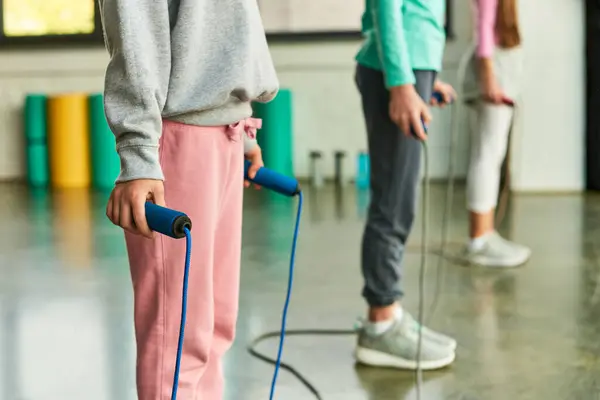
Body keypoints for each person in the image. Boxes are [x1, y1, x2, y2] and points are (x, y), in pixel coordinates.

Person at [99, 0, 278, 398]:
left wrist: (240, 123)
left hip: (226, 129)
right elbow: (136, 28)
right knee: (177, 336)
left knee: (214, 326)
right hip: (178, 136)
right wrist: (139, 151)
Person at [353, 0, 458, 370]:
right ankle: (381, 321)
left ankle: (390, 312)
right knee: (394, 200)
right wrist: (402, 82)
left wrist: (425, 75)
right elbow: (386, 6)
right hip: (398, 70)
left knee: (401, 197)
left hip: (411, 65)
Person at [462, 0, 531, 267]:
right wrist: (488, 76)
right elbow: (484, 27)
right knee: (487, 156)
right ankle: (479, 239)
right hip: (493, 71)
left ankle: (486, 233)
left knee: (491, 155)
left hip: (499, 69)